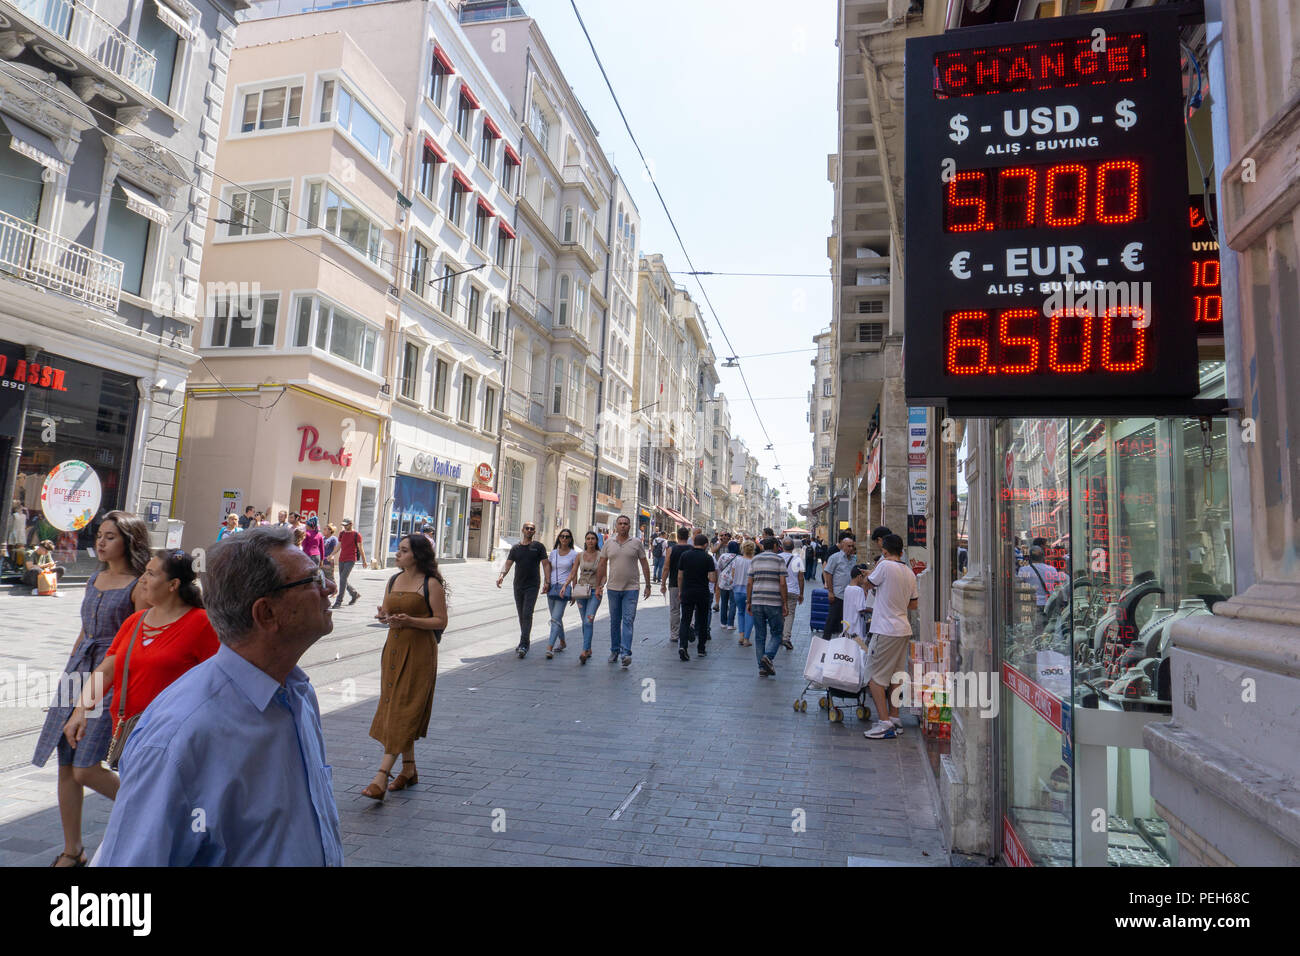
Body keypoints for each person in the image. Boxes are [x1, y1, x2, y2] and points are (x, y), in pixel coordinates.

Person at [94, 526, 344, 865]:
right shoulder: (179, 737)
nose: (329, 587)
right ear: (266, 613)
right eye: (312, 580)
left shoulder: (297, 692)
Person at [33, 512, 150, 867]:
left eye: (110, 536)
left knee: (86, 767)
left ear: (128, 541)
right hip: (78, 671)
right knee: (66, 765)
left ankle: (152, 806)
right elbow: (85, 631)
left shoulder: (139, 584)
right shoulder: (95, 578)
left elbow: (137, 639)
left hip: (111, 676)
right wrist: (68, 673)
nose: (100, 542)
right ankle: (73, 852)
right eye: (99, 535)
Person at [63, 551, 219, 771]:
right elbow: (107, 671)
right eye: (144, 572)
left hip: (174, 742)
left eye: (151, 574)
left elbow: (217, 685)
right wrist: (80, 710)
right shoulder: (134, 622)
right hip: (130, 736)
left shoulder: (202, 624)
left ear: (173, 584)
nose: (142, 580)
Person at [362, 533, 447, 800]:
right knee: (395, 705)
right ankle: (408, 769)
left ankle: (380, 776)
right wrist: (384, 616)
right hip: (394, 651)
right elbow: (387, 612)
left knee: (404, 707)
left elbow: (440, 621)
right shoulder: (393, 579)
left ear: (417, 555)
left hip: (419, 652)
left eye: (404, 550)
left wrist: (411, 620)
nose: (398, 554)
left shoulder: (430, 583)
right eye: (398, 550)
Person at [860, 534, 919, 740]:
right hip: (903, 628)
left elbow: (869, 582)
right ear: (901, 551)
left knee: (874, 678)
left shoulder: (884, 566)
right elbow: (913, 604)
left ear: (884, 551)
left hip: (885, 629)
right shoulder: (909, 572)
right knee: (895, 677)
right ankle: (894, 717)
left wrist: (869, 574)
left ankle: (884, 722)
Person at [595, 514, 651, 668]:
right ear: (616, 526)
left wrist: (648, 584)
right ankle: (614, 650)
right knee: (614, 621)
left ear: (630, 526)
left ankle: (625, 653)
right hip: (613, 588)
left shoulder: (636, 543)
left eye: (625, 523)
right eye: (620, 523)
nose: (623, 526)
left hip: (631, 589)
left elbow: (644, 564)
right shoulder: (608, 543)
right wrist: (599, 584)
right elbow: (601, 564)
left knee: (628, 620)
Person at [497, 521, 550, 658]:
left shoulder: (538, 547)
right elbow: (508, 564)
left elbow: (545, 564)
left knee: (527, 613)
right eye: (527, 528)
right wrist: (501, 576)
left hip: (532, 585)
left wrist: (547, 581)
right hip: (518, 585)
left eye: (532, 528)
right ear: (522, 530)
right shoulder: (515, 548)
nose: (529, 530)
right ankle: (524, 640)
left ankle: (523, 645)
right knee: (521, 615)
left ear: (534, 531)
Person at [748, 537, 789, 677]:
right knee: (777, 633)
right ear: (775, 546)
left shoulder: (755, 559)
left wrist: (749, 601)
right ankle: (768, 656)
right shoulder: (779, 560)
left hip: (757, 601)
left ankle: (762, 667)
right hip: (774, 602)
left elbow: (749, 582)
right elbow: (783, 584)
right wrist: (785, 603)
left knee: (760, 635)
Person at [564, 531, 603, 665]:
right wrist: (567, 586)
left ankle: (584, 650)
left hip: (594, 592)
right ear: (585, 541)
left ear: (596, 541)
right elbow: (573, 572)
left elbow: (604, 575)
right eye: (588, 539)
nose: (590, 541)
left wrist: (600, 586)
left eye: (593, 539)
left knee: (588, 620)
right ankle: (588, 648)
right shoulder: (579, 555)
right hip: (581, 591)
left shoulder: (601, 556)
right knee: (585, 622)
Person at [677, 533, 717, 661]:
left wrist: (680, 590)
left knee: (685, 620)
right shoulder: (708, 558)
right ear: (705, 545)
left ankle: (683, 646)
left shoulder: (685, 555)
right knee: (702, 620)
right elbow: (712, 579)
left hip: (687, 591)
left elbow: (680, 575)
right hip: (702, 592)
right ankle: (701, 649)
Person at [545, 529, 577, 659]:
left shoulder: (574, 554)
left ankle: (549, 647)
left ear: (570, 539)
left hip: (564, 589)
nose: (564, 539)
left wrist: (574, 591)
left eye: (567, 537)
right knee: (555, 618)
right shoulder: (553, 553)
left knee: (555, 618)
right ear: (559, 538)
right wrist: (546, 583)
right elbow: (548, 569)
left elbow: (574, 573)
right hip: (552, 588)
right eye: (562, 536)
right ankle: (562, 642)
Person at [822, 532, 858, 638]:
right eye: (848, 546)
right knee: (831, 618)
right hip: (838, 594)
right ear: (842, 545)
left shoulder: (854, 559)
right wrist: (830, 592)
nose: (851, 548)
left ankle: (843, 641)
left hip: (849, 595)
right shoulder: (835, 558)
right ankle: (825, 641)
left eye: (852, 546)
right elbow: (828, 574)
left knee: (845, 620)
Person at [661, 527, 692, 648]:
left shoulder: (671, 550)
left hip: (674, 583)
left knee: (674, 610)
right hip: (689, 584)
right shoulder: (692, 549)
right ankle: (688, 630)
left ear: (678, 536)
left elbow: (666, 568)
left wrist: (663, 583)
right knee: (688, 609)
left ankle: (674, 635)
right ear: (688, 536)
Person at [1018, 545, 1067, 614]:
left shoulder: (1023, 570)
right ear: (1043, 557)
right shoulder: (1052, 569)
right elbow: (1058, 587)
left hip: (1031, 604)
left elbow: (1019, 587)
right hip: (1049, 604)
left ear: (1030, 558)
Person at [779, 537, 806, 650]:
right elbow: (801, 578)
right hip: (793, 590)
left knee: (779, 613)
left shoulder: (777, 558)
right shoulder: (798, 559)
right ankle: (786, 637)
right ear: (793, 548)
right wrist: (801, 593)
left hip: (779, 589)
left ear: (782, 546)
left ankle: (779, 636)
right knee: (789, 614)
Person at [333, 518, 365, 607]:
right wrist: (331, 554)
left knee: (343, 579)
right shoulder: (342, 533)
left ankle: (338, 602)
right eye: (343, 525)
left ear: (351, 524)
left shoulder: (356, 535)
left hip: (351, 559)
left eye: (346, 525)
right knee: (343, 580)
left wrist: (364, 561)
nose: (344, 526)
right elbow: (338, 546)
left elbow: (360, 548)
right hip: (341, 559)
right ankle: (354, 594)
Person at [731, 540, 756, 647]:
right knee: (750, 613)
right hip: (750, 590)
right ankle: (746, 638)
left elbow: (733, 575)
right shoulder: (754, 562)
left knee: (740, 612)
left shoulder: (737, 560)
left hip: (737, 590)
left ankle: (741, 635)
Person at [714, 540, 740, 630]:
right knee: (733, 603)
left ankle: (723, 623)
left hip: (723, 581)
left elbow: (719, 567)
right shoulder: (738, 557)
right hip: (734, 582)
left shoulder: (723, 556)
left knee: (724, 602)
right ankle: (730, 624)